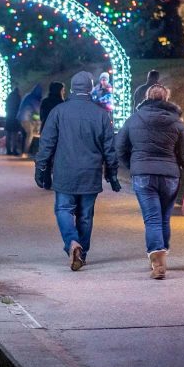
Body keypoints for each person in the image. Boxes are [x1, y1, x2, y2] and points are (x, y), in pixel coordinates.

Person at [34, 72, 117, 271]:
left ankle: (72, 243)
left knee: (63, 209)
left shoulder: (58, 112)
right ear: (90, 88)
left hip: (65, 171)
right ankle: (83, 253)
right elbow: (109, 148)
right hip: (91, 172)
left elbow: (47, 143)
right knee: (85, 215)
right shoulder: (101, 114)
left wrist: (41, 166)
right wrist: (111, 173)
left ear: (71, 89)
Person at [115, 84, 184, 280]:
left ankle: (157, 259)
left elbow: (119, 147)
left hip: (143, 175)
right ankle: (162, 252)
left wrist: (134, 166)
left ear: (147, 97)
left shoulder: (134, 119)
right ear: (166, 99)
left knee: (152, 218)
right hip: (169, 175)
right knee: (163, 217)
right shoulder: (177, 122)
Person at [16, 84, 43, 157]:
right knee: (30, 134)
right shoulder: (34, 99)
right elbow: (38, 110)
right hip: (26, 119)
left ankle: (25, 151)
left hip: (21, 117)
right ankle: (25, 152)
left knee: (26, 134)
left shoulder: (28, 96)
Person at [4, 86, 22, 156]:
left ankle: (8, 150)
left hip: (8, 117)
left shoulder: (9, 97)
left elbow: (6, 107)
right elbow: (20, 107)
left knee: (8, 135)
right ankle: (14, 150)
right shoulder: (18, 97)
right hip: (15, 117)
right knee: (15, 134)